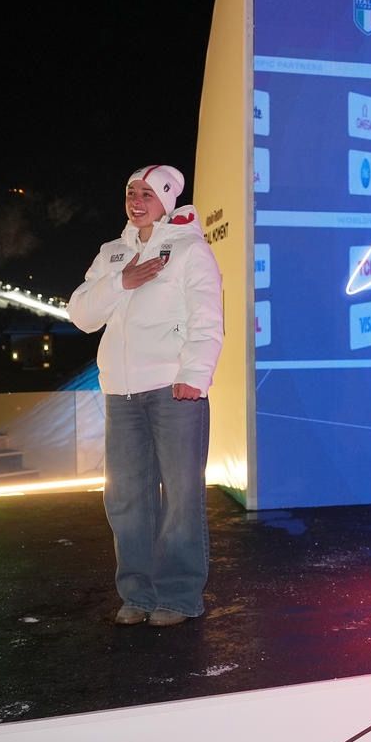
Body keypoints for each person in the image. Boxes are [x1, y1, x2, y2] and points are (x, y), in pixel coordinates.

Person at [68, 165, 223, 627]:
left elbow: (207, 317)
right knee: (126, 498)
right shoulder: (112, 254)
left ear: (166, 200)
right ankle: (137, 594)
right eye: (131, 192)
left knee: (180, 496)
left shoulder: (189, 249)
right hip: (121, 392)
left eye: (147, 194)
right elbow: (81, 315)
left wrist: (195, 373)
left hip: (174, 388)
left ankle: (178, 596)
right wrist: (122, 281)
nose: (136, 201)